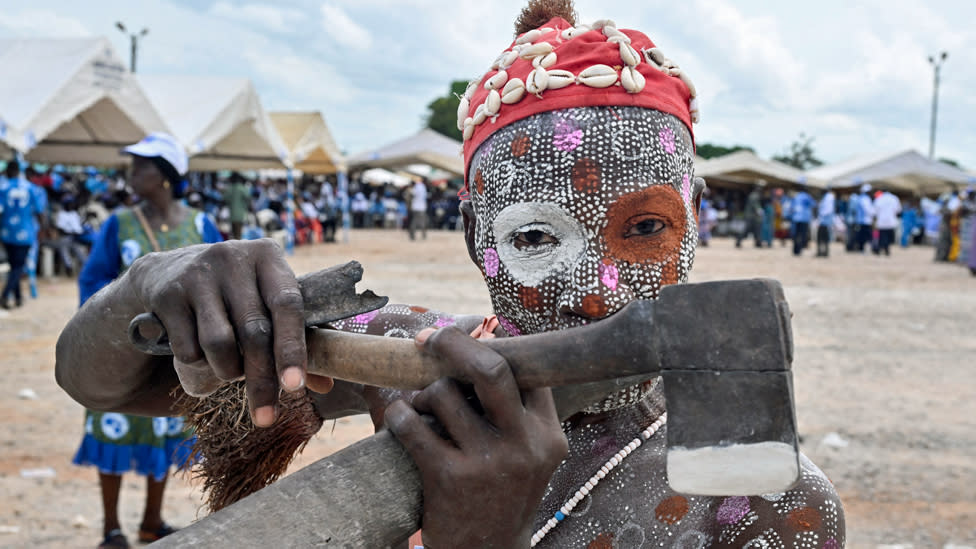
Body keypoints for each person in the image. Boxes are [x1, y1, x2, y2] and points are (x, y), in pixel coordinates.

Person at [55, 3, 845, 547]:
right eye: (535, 234)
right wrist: (154, 278)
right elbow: (107, 385)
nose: (597, 286)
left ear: (694, 218)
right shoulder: (415, 365)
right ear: (474, 236)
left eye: (644, 228)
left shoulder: (768, 500)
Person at [70, 133, 222, 549]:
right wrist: (109, 323)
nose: (133, 173)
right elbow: (93, 280)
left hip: (177, 356)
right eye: (133, 165)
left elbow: (217, 279)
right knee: (114, 425)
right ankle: (110, 529)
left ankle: (151, 522)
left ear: (168, 177)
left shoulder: (200, 225)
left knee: (166, 427)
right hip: (121, 353)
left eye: (143, 166)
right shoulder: (119, 225)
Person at [0, 160, 45, 309]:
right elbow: (39, 211)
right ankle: (5, 295)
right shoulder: (30, 188)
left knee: (14, 265)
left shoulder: (3, 188)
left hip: (7, 232)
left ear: (7, 172)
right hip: (25, 232)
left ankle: (18, 298)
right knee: (18, 266)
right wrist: (42, 230)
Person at [872, 189, 901, 256]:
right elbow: (898, 210)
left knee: (882, 236)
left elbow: (874, 211)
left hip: (881, 221)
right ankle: (886, 249)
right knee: (888, 236)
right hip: (891, 221)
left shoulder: (879, 198)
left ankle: (880, 248)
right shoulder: (894, 198)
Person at [222, 173, 251, 240]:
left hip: (232, 215)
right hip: (240, 215)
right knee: (239, 234)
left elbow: (224, 199)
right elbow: (248, 198)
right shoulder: (242, 188)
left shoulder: (230, 188)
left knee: (234, 234)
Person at [788, 185, 815, 256]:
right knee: (802, 234)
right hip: (804, 218)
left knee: (796, 234)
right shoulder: (807, 196)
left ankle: (795, 250)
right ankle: (800, 249)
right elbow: (813, 204)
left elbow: (791, 207)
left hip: (796, 218)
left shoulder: (796, 196)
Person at [815, 187, 836, 257]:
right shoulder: (827, 197)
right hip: (824, 221)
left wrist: (820, 217)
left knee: (822, 238)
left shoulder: (828, 198)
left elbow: (827, 210)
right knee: (823, 238)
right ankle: (822, 252)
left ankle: (822, 252)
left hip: (824, 221)